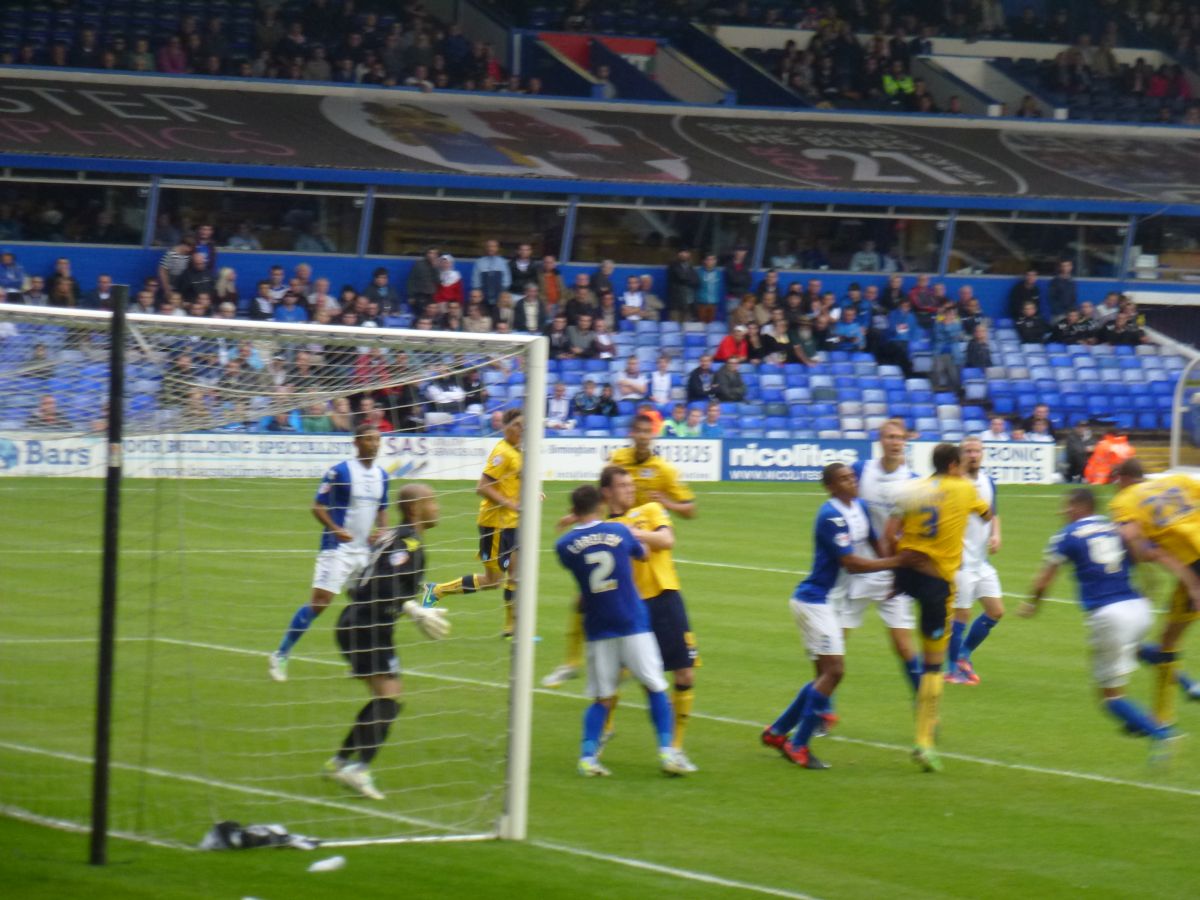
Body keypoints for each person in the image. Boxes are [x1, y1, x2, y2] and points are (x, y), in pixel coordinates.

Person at [1020, 488, 1183, 758]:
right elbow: (1143, 553)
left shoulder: (1067, 535)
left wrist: (1031, 604)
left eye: (1066, 506)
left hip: (1109, 615)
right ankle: (1189, 684)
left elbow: (1044, 579)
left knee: (1110, 698)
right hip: (1139, 607)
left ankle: (1162, 735)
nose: (1063, 512)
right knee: (1138, 649)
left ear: (1078, 507)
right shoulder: (1115, 527)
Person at [761, 463, 899, 769]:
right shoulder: (830, 517)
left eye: (852, 477)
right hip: (814, 602)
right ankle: (799, 745)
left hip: (829, 602)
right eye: (844, 479)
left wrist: (893, 567)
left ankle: (778, 731)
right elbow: (850, 562)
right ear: (830, 487)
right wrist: (896, 562)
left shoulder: (859, 507)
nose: (852, 482)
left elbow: (876, 543)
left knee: (826, 673)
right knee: (834, 672)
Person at [544, 413, 697, 688]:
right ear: (631, 433)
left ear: (653, 435)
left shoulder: (663, 470)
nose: (642, 436)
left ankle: (617, 677)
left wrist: (666, 503)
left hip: (643, 530)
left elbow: (690, 509)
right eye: (638, 431)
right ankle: (570, 663)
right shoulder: (618, 460)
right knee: (583, 598)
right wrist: (578, 515)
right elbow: (599, 494)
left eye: (647, 432)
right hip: (615, 530)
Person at [325, 483, 450, 800]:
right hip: (369, 627)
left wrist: (409, 608)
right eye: (431, 501)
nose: (437, 507)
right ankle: (358, 769)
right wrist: (411, 608)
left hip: (355, 622)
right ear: (414, 509)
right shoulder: (407, 543)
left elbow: (357, 583)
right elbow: (382, 583)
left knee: (383, 697)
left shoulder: (392, 537)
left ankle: (341, 760)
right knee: (390, 698)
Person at [555, 484, 689, 777]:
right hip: (632, 622)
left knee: (602, 698)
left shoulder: (564, 545)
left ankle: (587, 758)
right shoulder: (621, 532)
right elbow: (642, 553)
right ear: (601, 505)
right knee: (655, 686)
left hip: (598, 627)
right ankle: (667, 752)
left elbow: (574, 565)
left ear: (575, 511)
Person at [885, 443, 992, 772]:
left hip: (906, 571)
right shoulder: (964, 487)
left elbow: (890, 533)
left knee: (904, 637)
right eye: (960, 463)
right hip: (936, 582)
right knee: (934, 664)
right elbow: (986, 514)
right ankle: (924, 742)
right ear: (952, 464)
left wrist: (897, 569)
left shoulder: (912, 488)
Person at [268, 424, 389, 682]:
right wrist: (335, 528)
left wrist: (383, 530)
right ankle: (281, 653)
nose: (375, 444)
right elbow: (317, 506)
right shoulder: (340, 472)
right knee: (320, 603)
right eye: (369, 439)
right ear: (357, 442)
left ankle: (361, 663)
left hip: (364, 552)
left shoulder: (382, 475)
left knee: (369, 605)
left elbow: (382, 507)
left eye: (377, 439)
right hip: (337, 549)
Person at [1110, 461, 1200, 727]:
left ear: (1123, 478)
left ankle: (1161, 718)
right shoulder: (1178, 481)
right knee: (1166, 640)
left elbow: (1131, 536)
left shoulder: (1124, 501)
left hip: (1195, 567)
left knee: (1168, 644)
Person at [425, 408, 524, 636]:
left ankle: (512, 626)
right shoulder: (502, 452)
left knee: (517, 574)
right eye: (517, 425)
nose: (522, 429)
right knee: (493, 581)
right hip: (496, 523)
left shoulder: (518, 451)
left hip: (513, 522)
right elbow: (482, 487)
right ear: (506, 427)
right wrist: (510, 504)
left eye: (524, 425)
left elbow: (514, 483)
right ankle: (438, 590)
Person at [849, 419, 922, 693]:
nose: (895, 442)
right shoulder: (860, 470)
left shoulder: (913, 483)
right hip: (858, 568)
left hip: (893, 574)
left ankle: (925, 706)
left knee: (903, 646)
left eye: (900, 438)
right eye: (890, 437)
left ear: (905, 442)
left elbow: (914, 528)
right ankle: (823, 712)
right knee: (834, 643)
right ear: (880, 440)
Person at [946, 437, 1004, 685]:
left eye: (977, 451)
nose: (973, 455)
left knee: (996, 611)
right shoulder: (954, 484)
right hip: (960, 562)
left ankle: (964, 654)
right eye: (968, 451)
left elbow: (993, 514)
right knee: (962, 615)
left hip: (981, 562)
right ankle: (952, 669)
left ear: (982, 454)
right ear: (961, 455)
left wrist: (996, 534)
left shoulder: (988, 482)